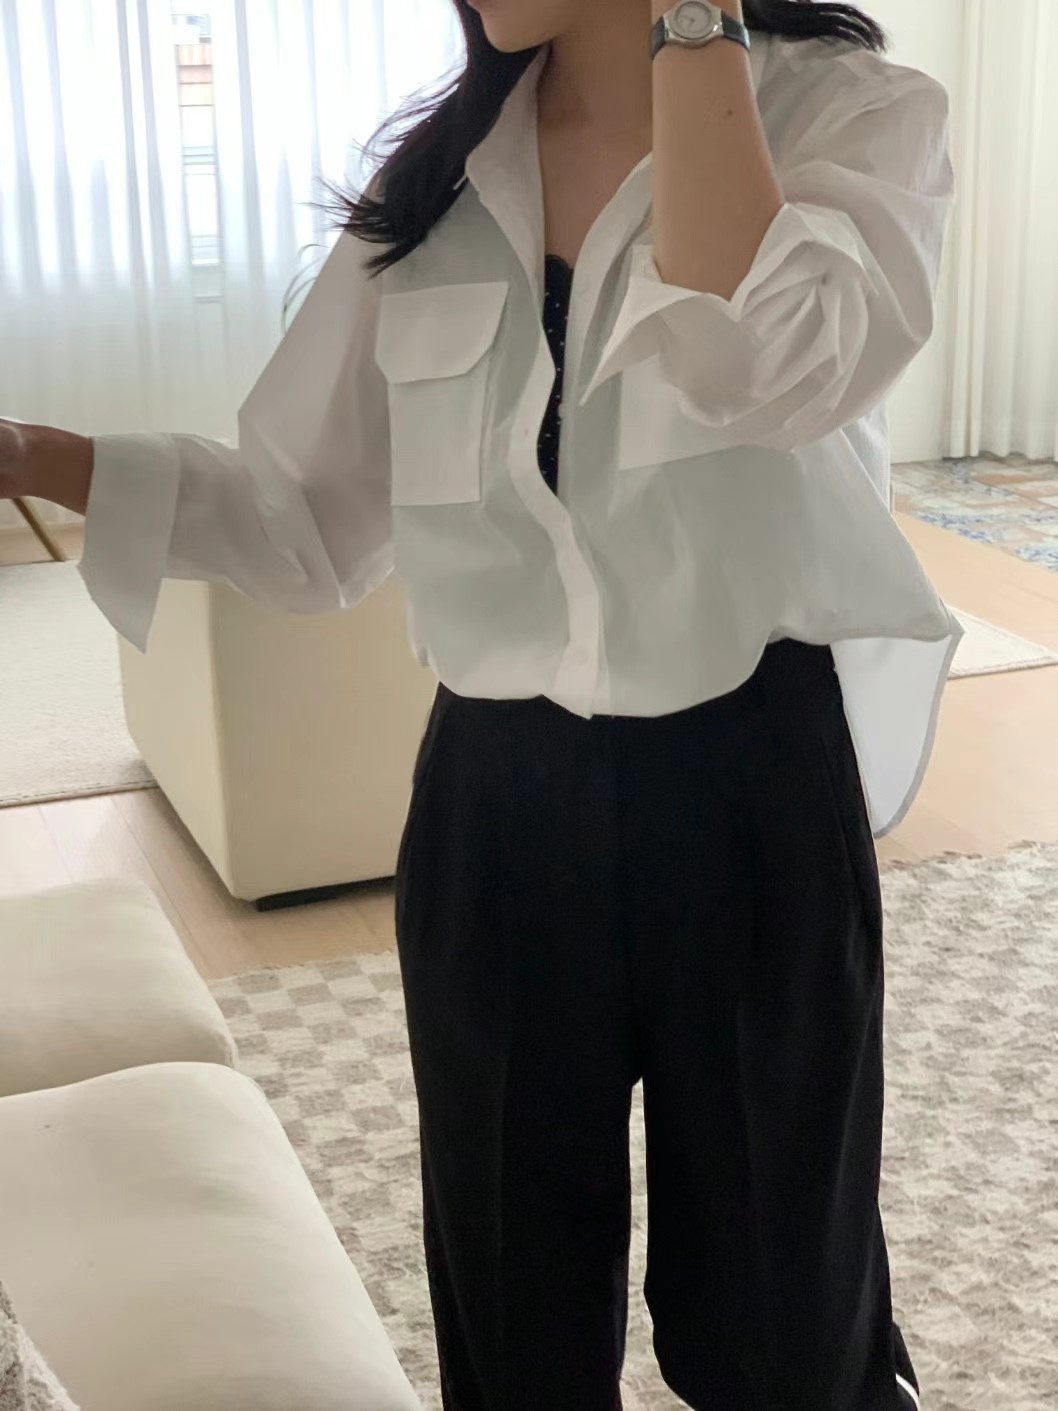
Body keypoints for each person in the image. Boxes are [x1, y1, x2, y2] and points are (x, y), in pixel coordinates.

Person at [1, 1, 962, 1406]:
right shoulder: (438, 184)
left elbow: (759, 362)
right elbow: (299, 518)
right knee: (514, 1306)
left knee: (782, 1309)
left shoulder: (853, 117)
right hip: (498, 807)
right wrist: (26, 452)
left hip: (753, 790)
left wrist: (691, 23)